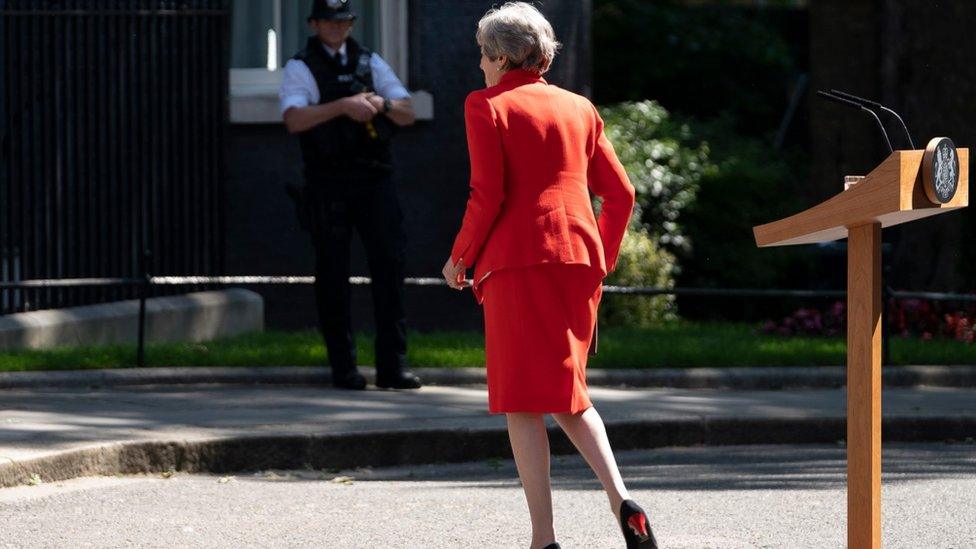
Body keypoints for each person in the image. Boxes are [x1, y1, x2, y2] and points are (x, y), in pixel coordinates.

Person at [442, 3, 659, 548]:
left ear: (501, 56)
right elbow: (622, 193)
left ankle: (543, 538)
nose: (481, 68)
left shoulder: (486, 105)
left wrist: (459, 257)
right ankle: (622, 500)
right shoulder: (579, 107)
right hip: (579, 259)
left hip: (518, 262)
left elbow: (487, 194)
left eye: (483, 57)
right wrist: (600, 259)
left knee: (522, 402)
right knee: (567, 392)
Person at [280, 0, 421, 391]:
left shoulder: (369, 61)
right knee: (332, 273)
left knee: (390, 266)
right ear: (314, 24)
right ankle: (343, 368)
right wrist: (344, 106)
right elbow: (294, 119)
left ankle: (392, 366)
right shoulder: (301, 65)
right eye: (328, 21)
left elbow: (407, 111)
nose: (336, 28)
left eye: (343, 21)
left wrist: (381, 103)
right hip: (328, 181)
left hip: (375, 179)